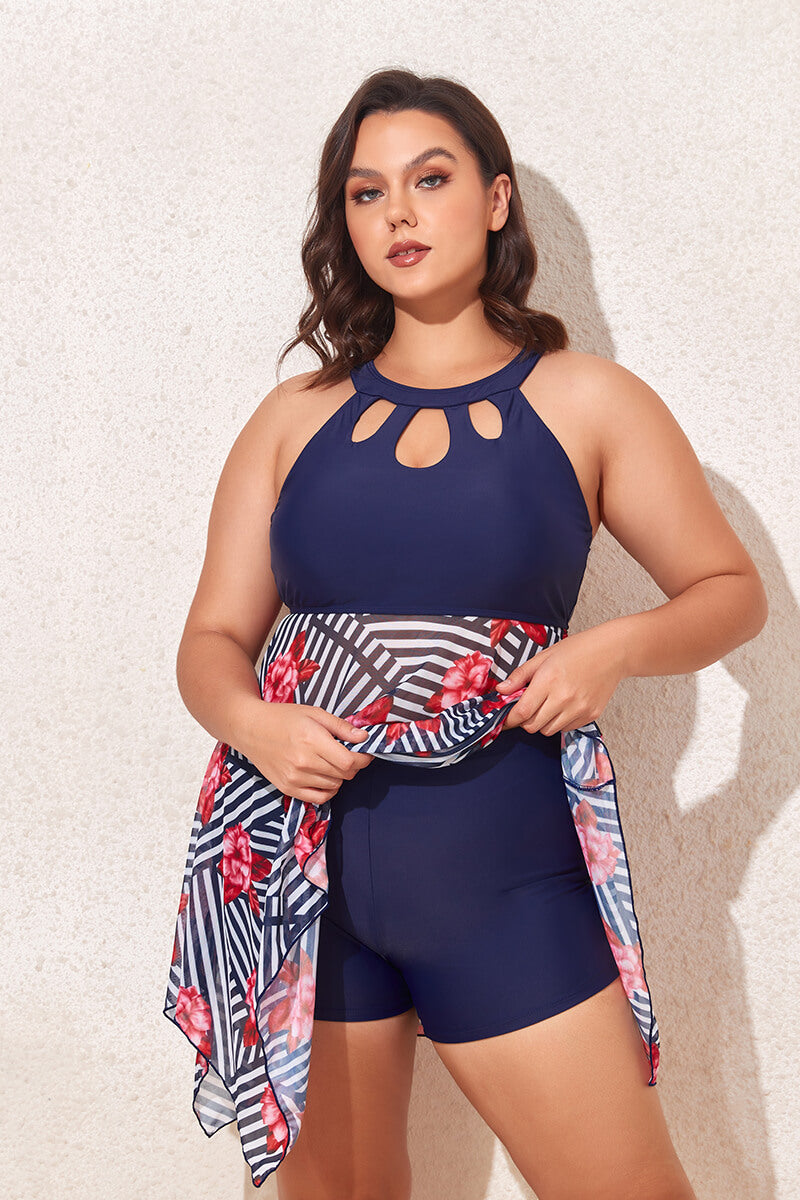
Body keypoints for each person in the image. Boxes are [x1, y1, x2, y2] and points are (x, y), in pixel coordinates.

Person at [164, 69, 767, 1199]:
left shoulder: (588, 401)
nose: (398, 212)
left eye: (429, 180)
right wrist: (253, 723)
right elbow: (210, 640)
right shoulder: (291, 419)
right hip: (303, 879)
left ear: (495, 201)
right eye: (366, 192)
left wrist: (612, 649)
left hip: (503, 877)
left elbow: (729, 591)